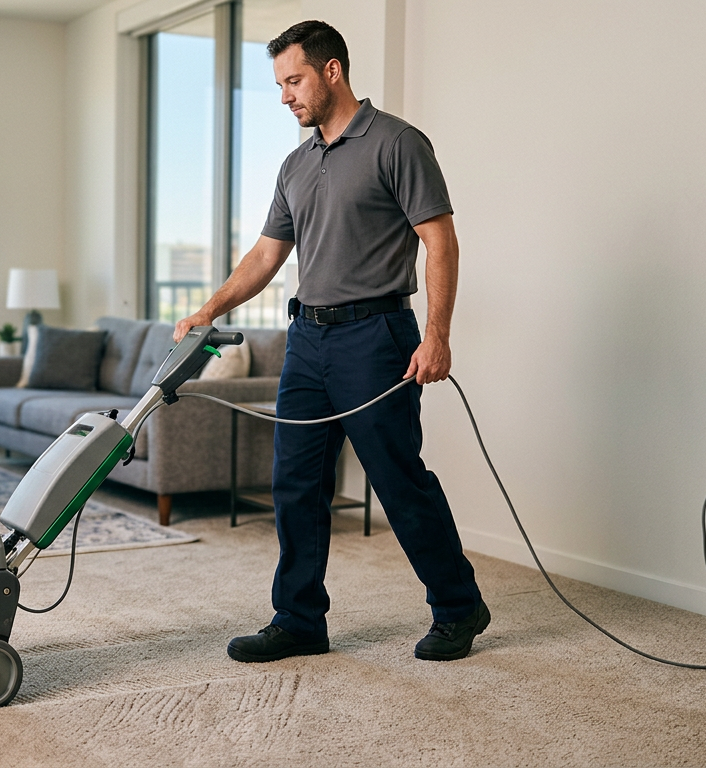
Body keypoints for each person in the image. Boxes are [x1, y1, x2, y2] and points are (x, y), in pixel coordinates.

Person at [173, 20, 488, 663]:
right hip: (308, 339)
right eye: (280, 84)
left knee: (397, 479)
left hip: (376, 336)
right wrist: (208, 309)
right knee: (294, 483)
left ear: (332, 71)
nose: (285, 96)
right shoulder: (296, 163)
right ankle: (298, 620)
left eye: (293, 81)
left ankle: (459, 606)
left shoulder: (397, 143)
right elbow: (266, 256)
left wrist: (437, 336)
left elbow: (440, 241)